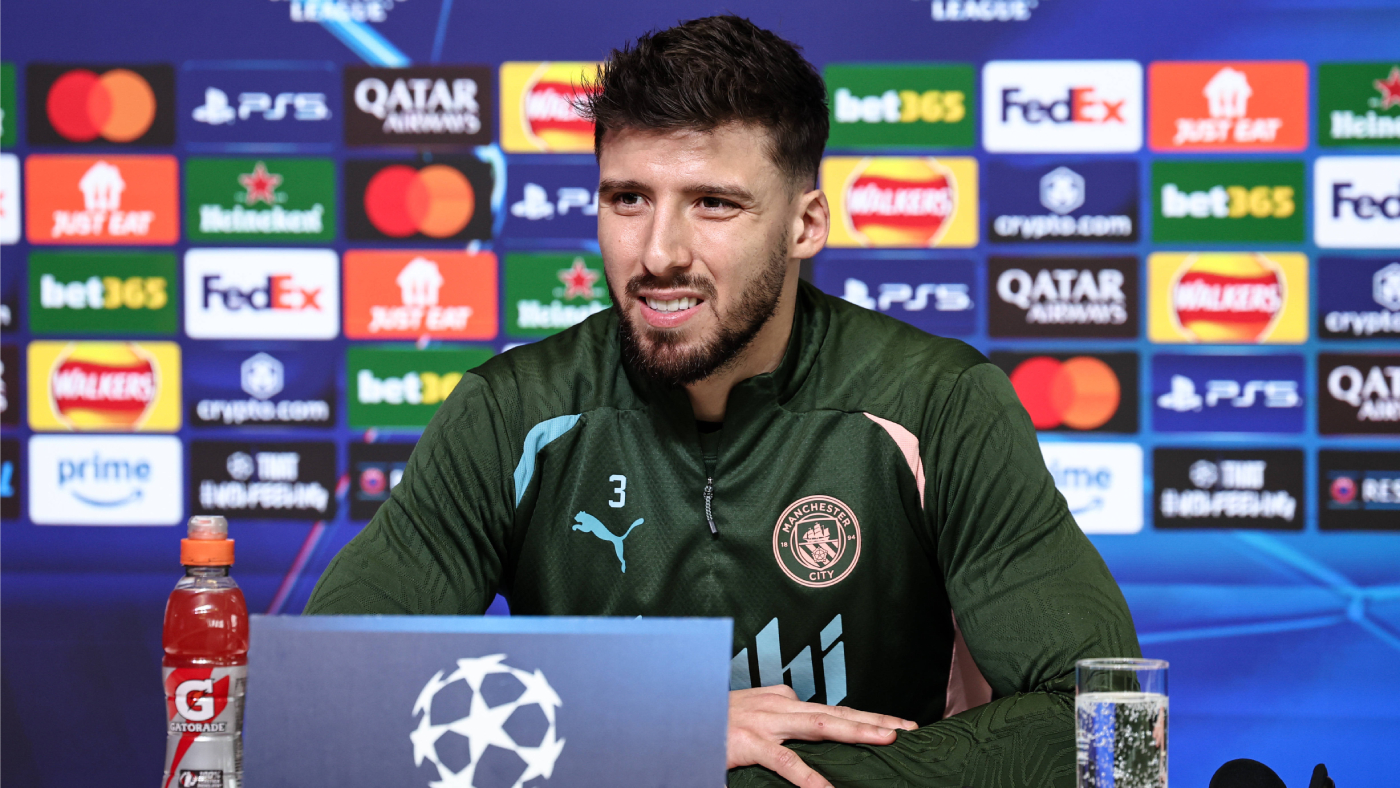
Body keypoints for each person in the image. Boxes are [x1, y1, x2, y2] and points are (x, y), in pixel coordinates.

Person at [306, 15, 1140, 788]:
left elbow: (1114, 725)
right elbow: (322, 694)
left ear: (805, 224)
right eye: (628, 199)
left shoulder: (938, 404)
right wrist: (666, 726)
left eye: (713, 203)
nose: (659, 253)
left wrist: (757, 775)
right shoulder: (513, 413)